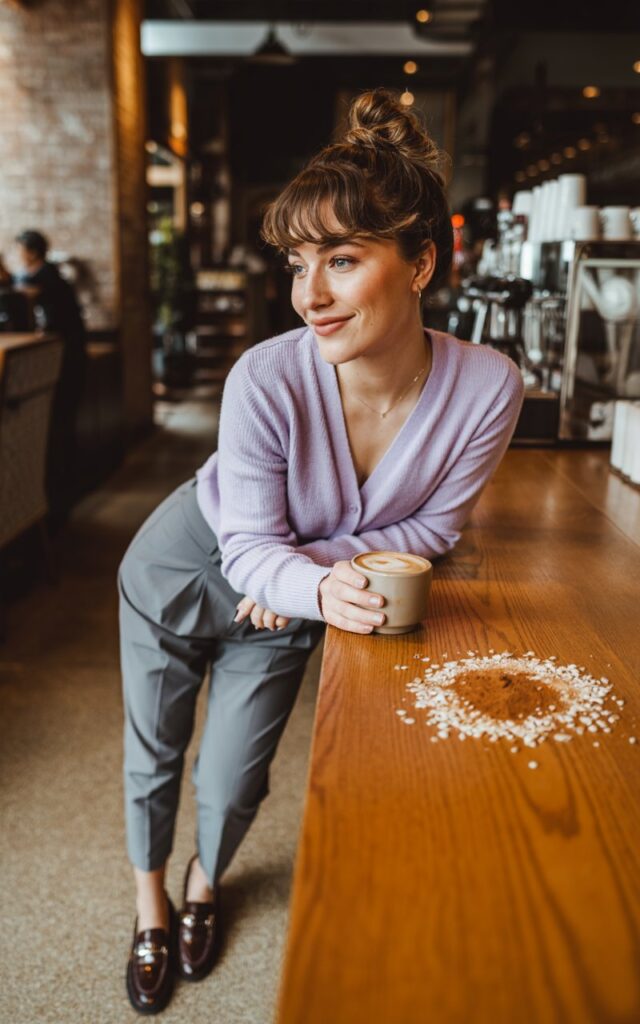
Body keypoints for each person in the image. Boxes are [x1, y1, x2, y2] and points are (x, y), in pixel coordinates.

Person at [119, 88, 524, 1014]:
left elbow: (432, 532)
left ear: (421, 263)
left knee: (232, 775)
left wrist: (299, 578)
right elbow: (249, 542)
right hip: (181, 568)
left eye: (342, 260)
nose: (310, 294)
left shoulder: (488, 386)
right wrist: (303, 573)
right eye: (300, 263)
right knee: (155, 749)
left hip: (292, 599)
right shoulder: (266, 374)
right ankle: (148, 902)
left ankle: (203, 881)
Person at [9, 230, 87, 521]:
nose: (17, 255)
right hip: (70, 363)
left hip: (63, 367)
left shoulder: (38, 281)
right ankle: (60, 498)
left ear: (30, 252)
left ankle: (57, 501)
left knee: (58, 434)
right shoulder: (51, 277)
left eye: (18, 249)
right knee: (62, 432)